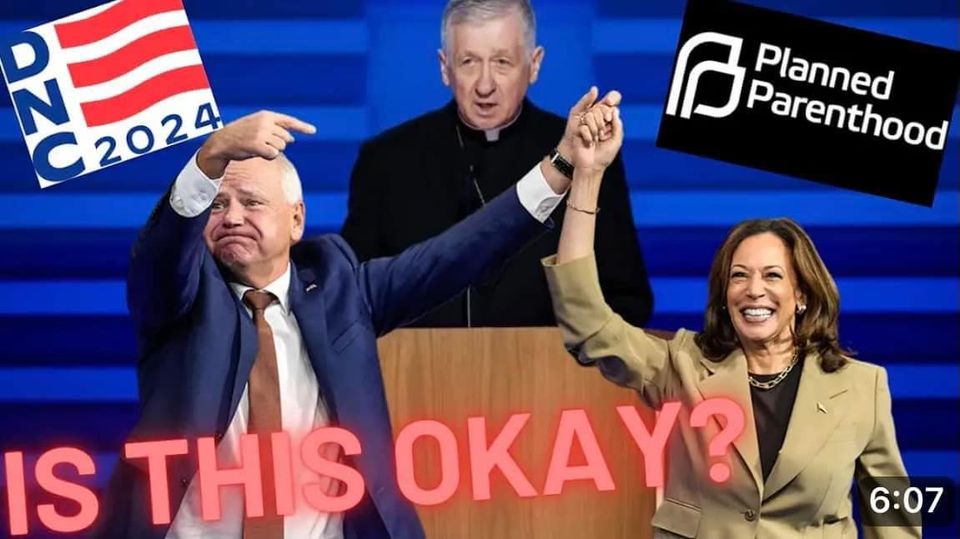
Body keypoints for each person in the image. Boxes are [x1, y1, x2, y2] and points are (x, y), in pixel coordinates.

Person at [94, 86, 621, 539]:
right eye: (217, 204)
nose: (231, 217)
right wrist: (210, 157)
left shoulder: (340, 289)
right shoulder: (180, 300)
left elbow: (460, 253)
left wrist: (561, 164)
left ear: (296, 220)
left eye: (251, 202)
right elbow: (162, 255)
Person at [541, 112, 919, 538]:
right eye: (739, 276)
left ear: (802, 295)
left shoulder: (864, 388)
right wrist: (588, 176)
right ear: (724, 294)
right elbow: (586, 322)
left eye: (772, 275)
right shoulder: (681, 367)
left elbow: (895, 520)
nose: (753, 290)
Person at [340, 0, 653, 327]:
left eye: (502, 62)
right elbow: (350, 299)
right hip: (415, 360)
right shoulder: (386, 161)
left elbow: (626, 302)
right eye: (469, 62)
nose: (485, 85)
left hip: (549, 360)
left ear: (534, 64)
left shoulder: (583, 155)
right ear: (445, 68)